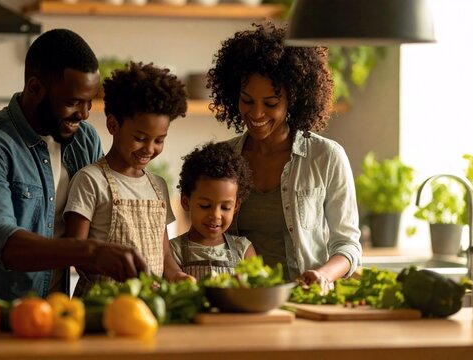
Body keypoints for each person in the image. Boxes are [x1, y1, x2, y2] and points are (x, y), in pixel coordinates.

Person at [0, 29, 148, 302]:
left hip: (56, 317)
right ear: (35, 88)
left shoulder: (85, 139)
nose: (84, 113)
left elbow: (102, 212)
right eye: (72, 102)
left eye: (90, 102)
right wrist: (88, 251)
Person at [207, 22, 362, 293]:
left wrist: (324, 274)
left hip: (304, 297)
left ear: (294, 99)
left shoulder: (326, 157)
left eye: (270, 103)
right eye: (247, 100)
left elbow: (347, 245)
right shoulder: (224, 159)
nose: (256, 114)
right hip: (242, 300)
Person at [64, 61, 193, 296]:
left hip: (148, 305)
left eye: (159, 140)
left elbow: (163, 254)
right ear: (113, 125)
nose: (149, 148)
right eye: (140, 137)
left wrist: (177, 275)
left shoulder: (158, 186)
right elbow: (75, 253)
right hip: (100, 304)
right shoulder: (90, 180)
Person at [169, 142, 256, 280]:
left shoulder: (243, 250)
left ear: (235, 207)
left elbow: (256, 293)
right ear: (186, 202)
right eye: (205, 205)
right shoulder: (172, 251)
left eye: (225, 207)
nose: (215, 216)